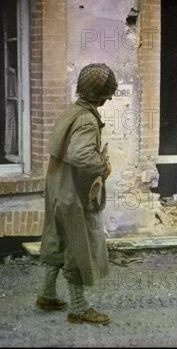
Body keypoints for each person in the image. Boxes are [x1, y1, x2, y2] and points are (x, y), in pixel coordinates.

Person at [36, 63, 118, 325]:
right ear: (101, 96)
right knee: (78, 245)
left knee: (57, 238)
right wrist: (103, 166)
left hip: (58, 187)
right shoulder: (86, 119)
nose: (107, 99)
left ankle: (47, 294)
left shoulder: (71, 111)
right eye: (107, 95)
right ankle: (79, 308)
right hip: (73, 191)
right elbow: (80, 154)